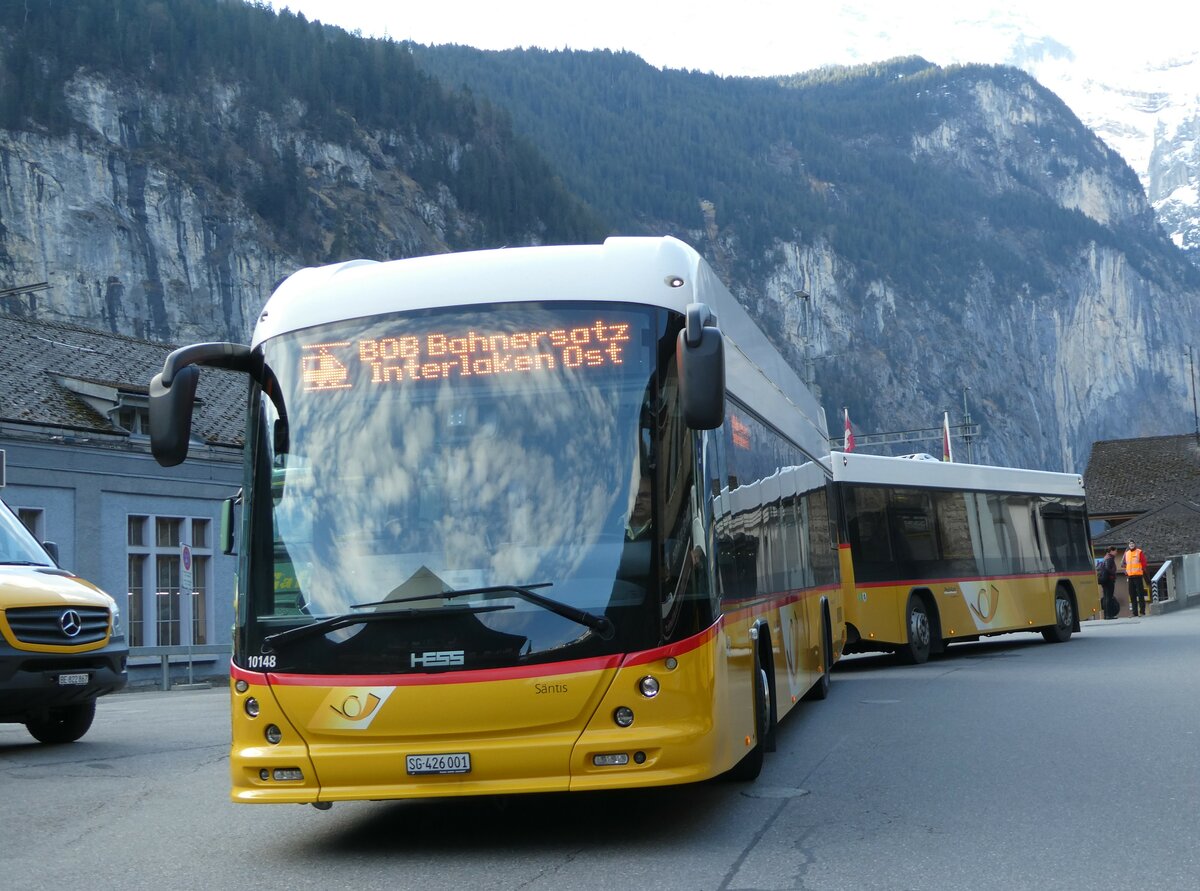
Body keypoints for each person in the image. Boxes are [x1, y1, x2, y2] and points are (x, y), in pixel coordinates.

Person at [1123, 540, 1148, 617]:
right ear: (1128, 545)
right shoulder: (1126, 553)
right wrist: (1126, 571)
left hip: (1138, 576)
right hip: (1130, 577)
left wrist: (1144, 571)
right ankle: (1134, 613)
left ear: (1135, 544)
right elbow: (1124, 563)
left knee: (1140, 594)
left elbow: (1144, 563)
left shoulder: (1139, 552)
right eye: (1130, 544)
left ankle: (1142, 612)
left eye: (1132, 543)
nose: (1131, 545)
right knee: (1132, 595)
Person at [1098, 546, 1118, 619]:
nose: (1116, 552)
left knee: (1106, 597)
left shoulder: (1105, 558)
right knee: (1109, 597)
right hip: (1109, 580)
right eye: (1115, 551)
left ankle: (1106, 615)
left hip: (1104, 580)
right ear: (1111, 551)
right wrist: (1113, 573)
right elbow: (1108, 568)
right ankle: (1109, 615)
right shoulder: (1110, 559)